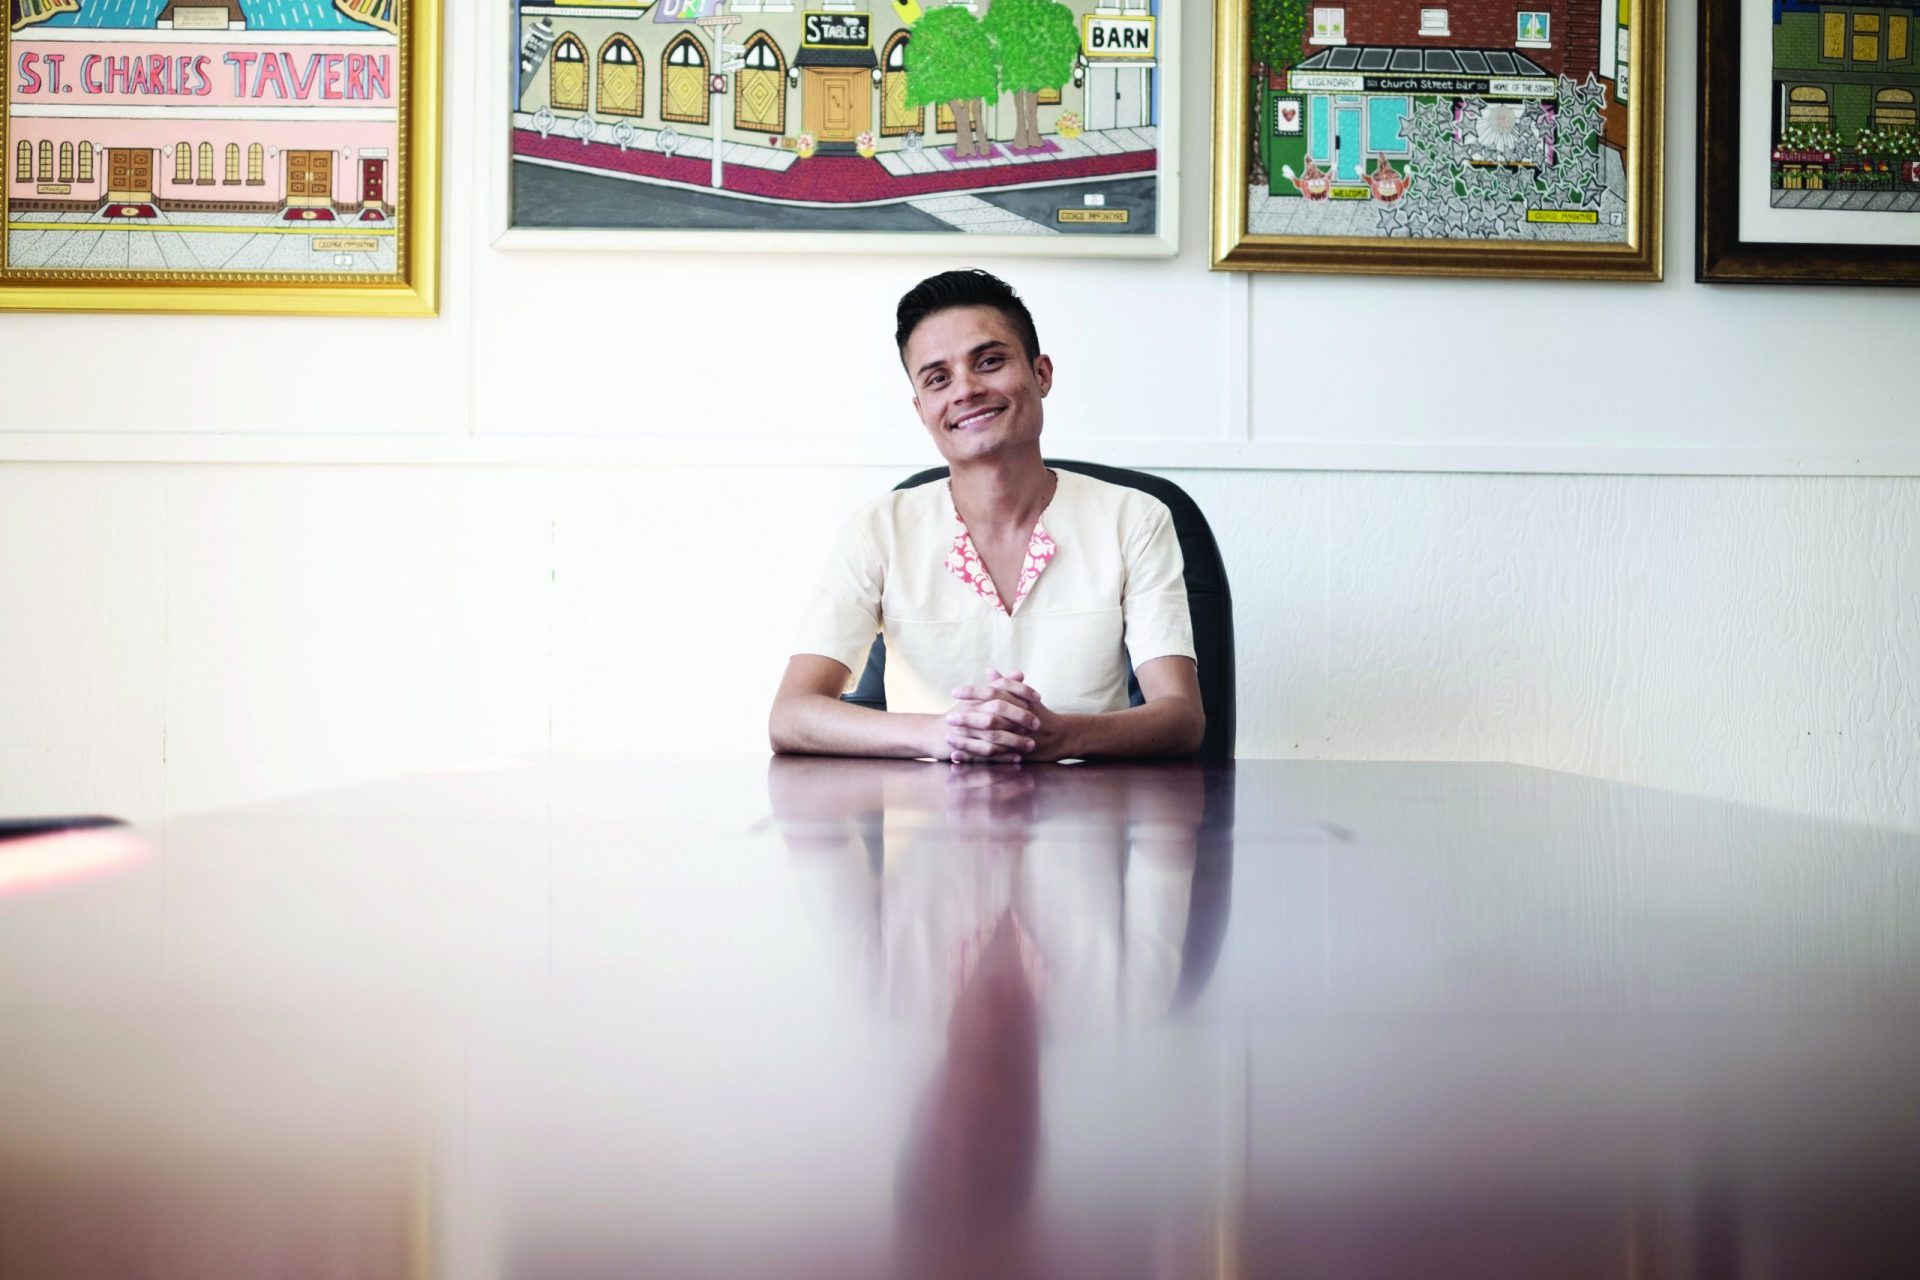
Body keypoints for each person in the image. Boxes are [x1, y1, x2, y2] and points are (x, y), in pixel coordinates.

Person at [768, 269, 1206, 763]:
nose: (966, 390)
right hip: (928, 826)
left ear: (1041, 374)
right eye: (938, 379)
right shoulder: (879, 530)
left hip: (1084, 822)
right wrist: (940, 734)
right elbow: (792, 714)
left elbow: (1180, 716)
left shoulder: (1135, 519)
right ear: (921, 409)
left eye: (990, 361)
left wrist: (1059, 737)